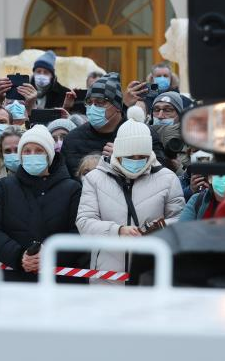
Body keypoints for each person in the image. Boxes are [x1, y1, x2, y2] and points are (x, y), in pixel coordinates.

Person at [76, 105, 184, 279]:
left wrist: (158, 228)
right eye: (130, 157)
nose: (136, 161)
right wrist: (118, 231)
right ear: (118, 153)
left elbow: (180, 221)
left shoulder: (168, 179)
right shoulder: (95, 178)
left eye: (142, 157)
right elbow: (84, 222)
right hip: (106, 276)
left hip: (152, 274)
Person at [0, 125, 86, 283]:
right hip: (13, 280)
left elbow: (79, 232)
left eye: (39, 150)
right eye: (27, 151)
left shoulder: (72, 189)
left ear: (49, 155)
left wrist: (49, 253)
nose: (32, 155)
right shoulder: (4, 187)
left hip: (59, 283)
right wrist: (19, 255)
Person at [61, 73, 167, 177]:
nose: (93, 108)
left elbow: (161, 172)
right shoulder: (73, 139)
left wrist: (126, 159)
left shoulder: (144, 133)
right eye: (89, 102)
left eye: (100, 102)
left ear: (117, 106)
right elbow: (70, 182)